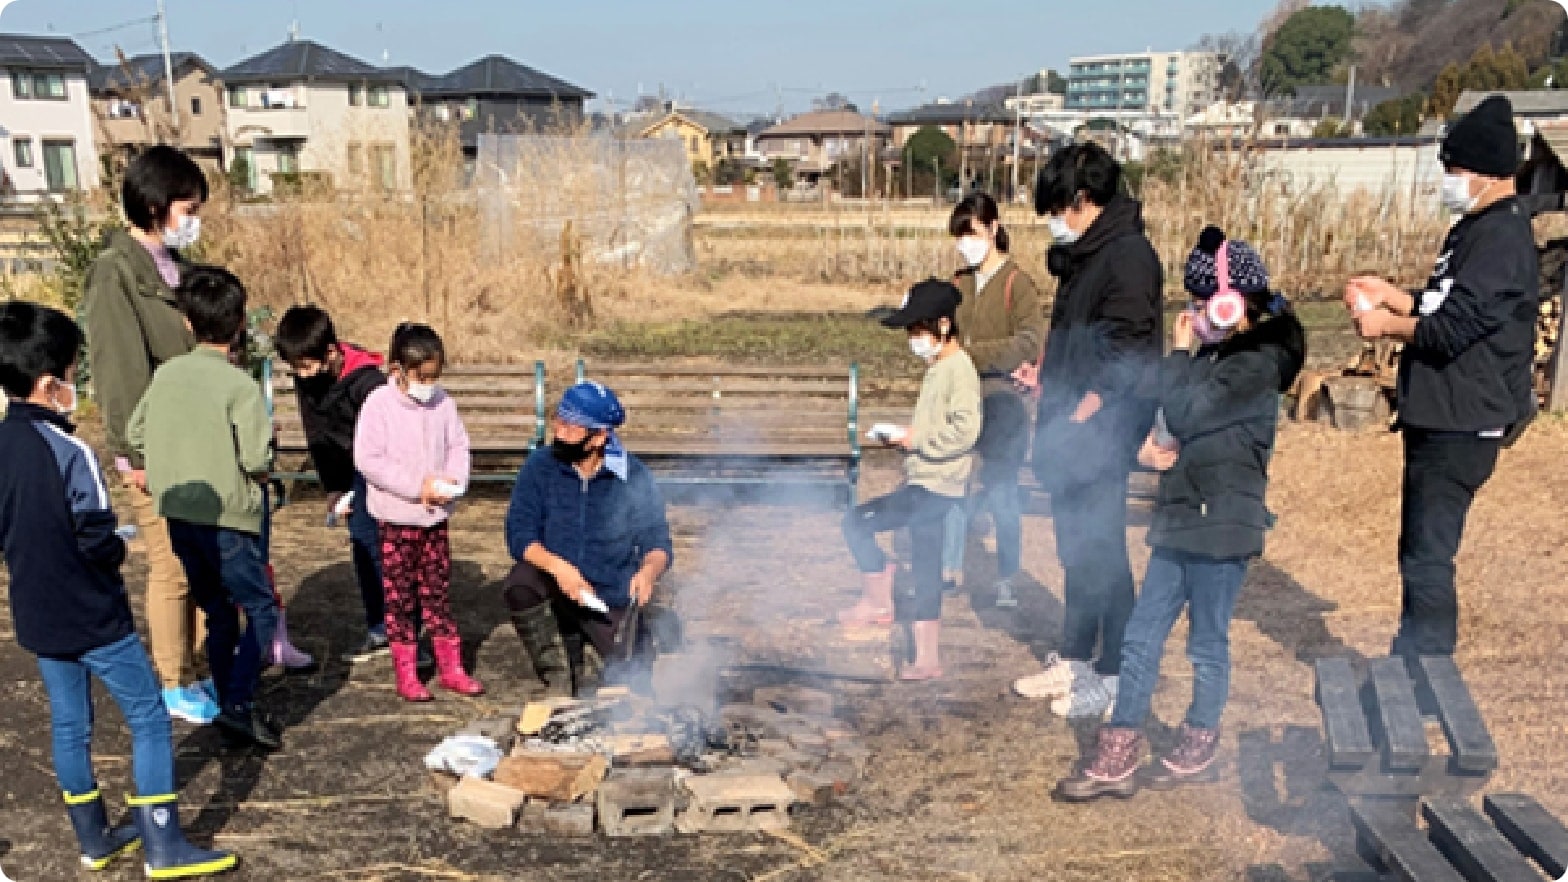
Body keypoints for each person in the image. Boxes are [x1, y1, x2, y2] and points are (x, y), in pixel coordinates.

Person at [1057, 229, 1305, 800]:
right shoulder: (1214, 357)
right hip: (1179, 516)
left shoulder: (1256, 365)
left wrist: (1176, 355)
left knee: (1206, 641)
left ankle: (1199, 735)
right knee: (1142, 636)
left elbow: (1189, 411)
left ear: (1230, 303)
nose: (1192, 315)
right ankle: (1120, 745)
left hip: (1223, 522)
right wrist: (1150, 443)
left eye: (1199, 304)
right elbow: (1170, 419)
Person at [0, 302, 237, 877]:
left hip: (37, 611)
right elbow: (95, 535)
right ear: (51, 382)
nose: (76, 385)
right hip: (94, 615)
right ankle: (164, 845)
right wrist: (121, 547)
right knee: (149, 718)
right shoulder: (71, 451)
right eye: (75, 373)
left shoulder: (3, 443)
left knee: (69, 725)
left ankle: (93, 839)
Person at [1344, 95, 1539, 670]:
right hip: (1439, 414)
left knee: (1429, 559)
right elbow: (1440, 303)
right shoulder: (1473, 230)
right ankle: (1410, 664)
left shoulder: (1502, 238)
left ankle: (1425, 675)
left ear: (1480, 171)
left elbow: (1453, 329)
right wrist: (1394, 294)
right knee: (1417, 555)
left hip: (1464, 421)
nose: (1449, 181)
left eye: (1453, 171)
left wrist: (1386, 325)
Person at [1016, 142, 1164, 718]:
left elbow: (1129, 345)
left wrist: (1088, 405)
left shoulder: (1127, 254)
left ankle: (1114, 673)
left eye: (1057, 207)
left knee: (1102, 548)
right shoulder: (1084, 253)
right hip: (1069, 421)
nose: (1054, 219)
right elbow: (1074, 332)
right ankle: (1075, 659)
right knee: (1074, 546)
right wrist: (1047, 375)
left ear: (1083, 199)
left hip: (1103, 426)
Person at [80, 145, 218, 725]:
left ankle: (205, 665)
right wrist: (131, 452)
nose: (194, 219)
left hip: (195, 444)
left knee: (203, 559)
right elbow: (119, 372)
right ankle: (173, 679)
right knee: (172, 567)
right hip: (154, 448)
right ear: (158, 205)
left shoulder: (173, 269)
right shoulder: (116, 273)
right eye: (189, 207)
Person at [130, 266, 284, 751]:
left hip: (178, 514)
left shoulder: (166, 376)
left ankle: (225, 696)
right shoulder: (239, 387)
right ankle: (238, 702)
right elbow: (257, 460)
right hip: (230, 520)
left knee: (217, 610)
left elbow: (135, 434)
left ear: (188, 324)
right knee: (258, 609)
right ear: (240, 323)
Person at [838, 280, 982, 681]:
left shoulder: (959, 370)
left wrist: (916, 440)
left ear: (942, 325)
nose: (913, 340)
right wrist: (904, 436)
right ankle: (927, 658)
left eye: (917, 331)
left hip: (937, 486)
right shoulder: (939, 368)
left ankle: (878, 598)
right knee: (925, 563)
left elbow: (965, 432)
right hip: (928, 481)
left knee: (856, 522)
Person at [503, 381, 674, 697]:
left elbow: (657, 542)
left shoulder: (632, 477)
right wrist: (559, 568)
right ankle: (557, 675)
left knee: (631, 684)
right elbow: (519, 534)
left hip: (608, 593)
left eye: (571, 427)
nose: (560, 431)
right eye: (559, 420)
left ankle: (592, 648)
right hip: (555, 585)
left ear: (598, 437)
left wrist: (648, 572)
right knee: (521, 583)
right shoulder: (540, 467)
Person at [354, 323, 481, 702]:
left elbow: (458, 445)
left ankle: (450, 667)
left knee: (438, 592)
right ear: (398, 370)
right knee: (400, 598)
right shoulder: (378, 405)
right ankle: (406, 671)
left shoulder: (444, 403)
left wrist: (453, 481)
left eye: (434, 376)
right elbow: (368, 459)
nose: (429, 384)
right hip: (396, 520)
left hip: (435, 519)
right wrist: (415, 486)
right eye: (421, 376)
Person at [943, 193, 1047, 608]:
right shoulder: (958, 282)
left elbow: (1029, 340)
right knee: (952, 484)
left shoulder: (1016, 283)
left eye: (969, 234)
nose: (963, 244)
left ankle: (1006, 577)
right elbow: (946, 337)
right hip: (963, 400)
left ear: (992, 228)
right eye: (958, 237)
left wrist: (971, 352)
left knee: (1002, 491)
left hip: (1004, 405)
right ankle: (950, 568)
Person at [274, 305, 391, 663]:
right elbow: (317, 434)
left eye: (307, 366)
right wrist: (332, 487)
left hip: (379, 465)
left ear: (331, 352)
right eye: (295, 368)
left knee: (385, 545)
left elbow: (387, 435)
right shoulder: (307, 378)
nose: (303, 375)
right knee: (361, 541)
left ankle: (404, 624)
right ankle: (378, 627)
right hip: (346, 466)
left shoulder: (369, 383)